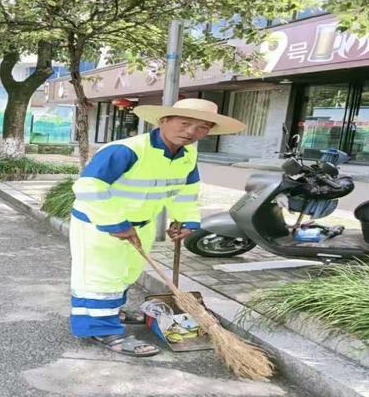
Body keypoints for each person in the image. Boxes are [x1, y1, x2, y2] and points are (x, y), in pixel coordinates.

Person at [69, 98, 245, 357]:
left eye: (202, 128)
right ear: (164, 121)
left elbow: (186, 190)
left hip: (142, 224)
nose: (191, 132)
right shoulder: (126, 150)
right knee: (99, 279)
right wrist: (116, 223)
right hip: (100, 225)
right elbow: (88, 187)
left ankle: (111, 313)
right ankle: (102, 329)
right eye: (185, 123)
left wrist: (186, 219)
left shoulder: (187, 154)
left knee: (127, 273)